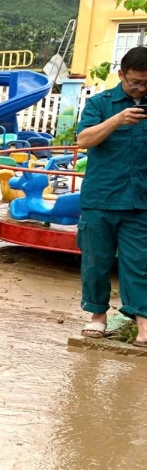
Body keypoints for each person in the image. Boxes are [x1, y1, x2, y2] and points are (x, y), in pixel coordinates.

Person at [74, 45, 147, 345]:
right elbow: (83, 140)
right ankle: (97, 317)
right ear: (121, 75)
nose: (142, 88)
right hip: (100, 199)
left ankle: (143, 324)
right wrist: (116, 120)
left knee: (140, 264)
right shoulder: (100, 104)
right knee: (95, 261)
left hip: (141, 201)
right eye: (136, 82)